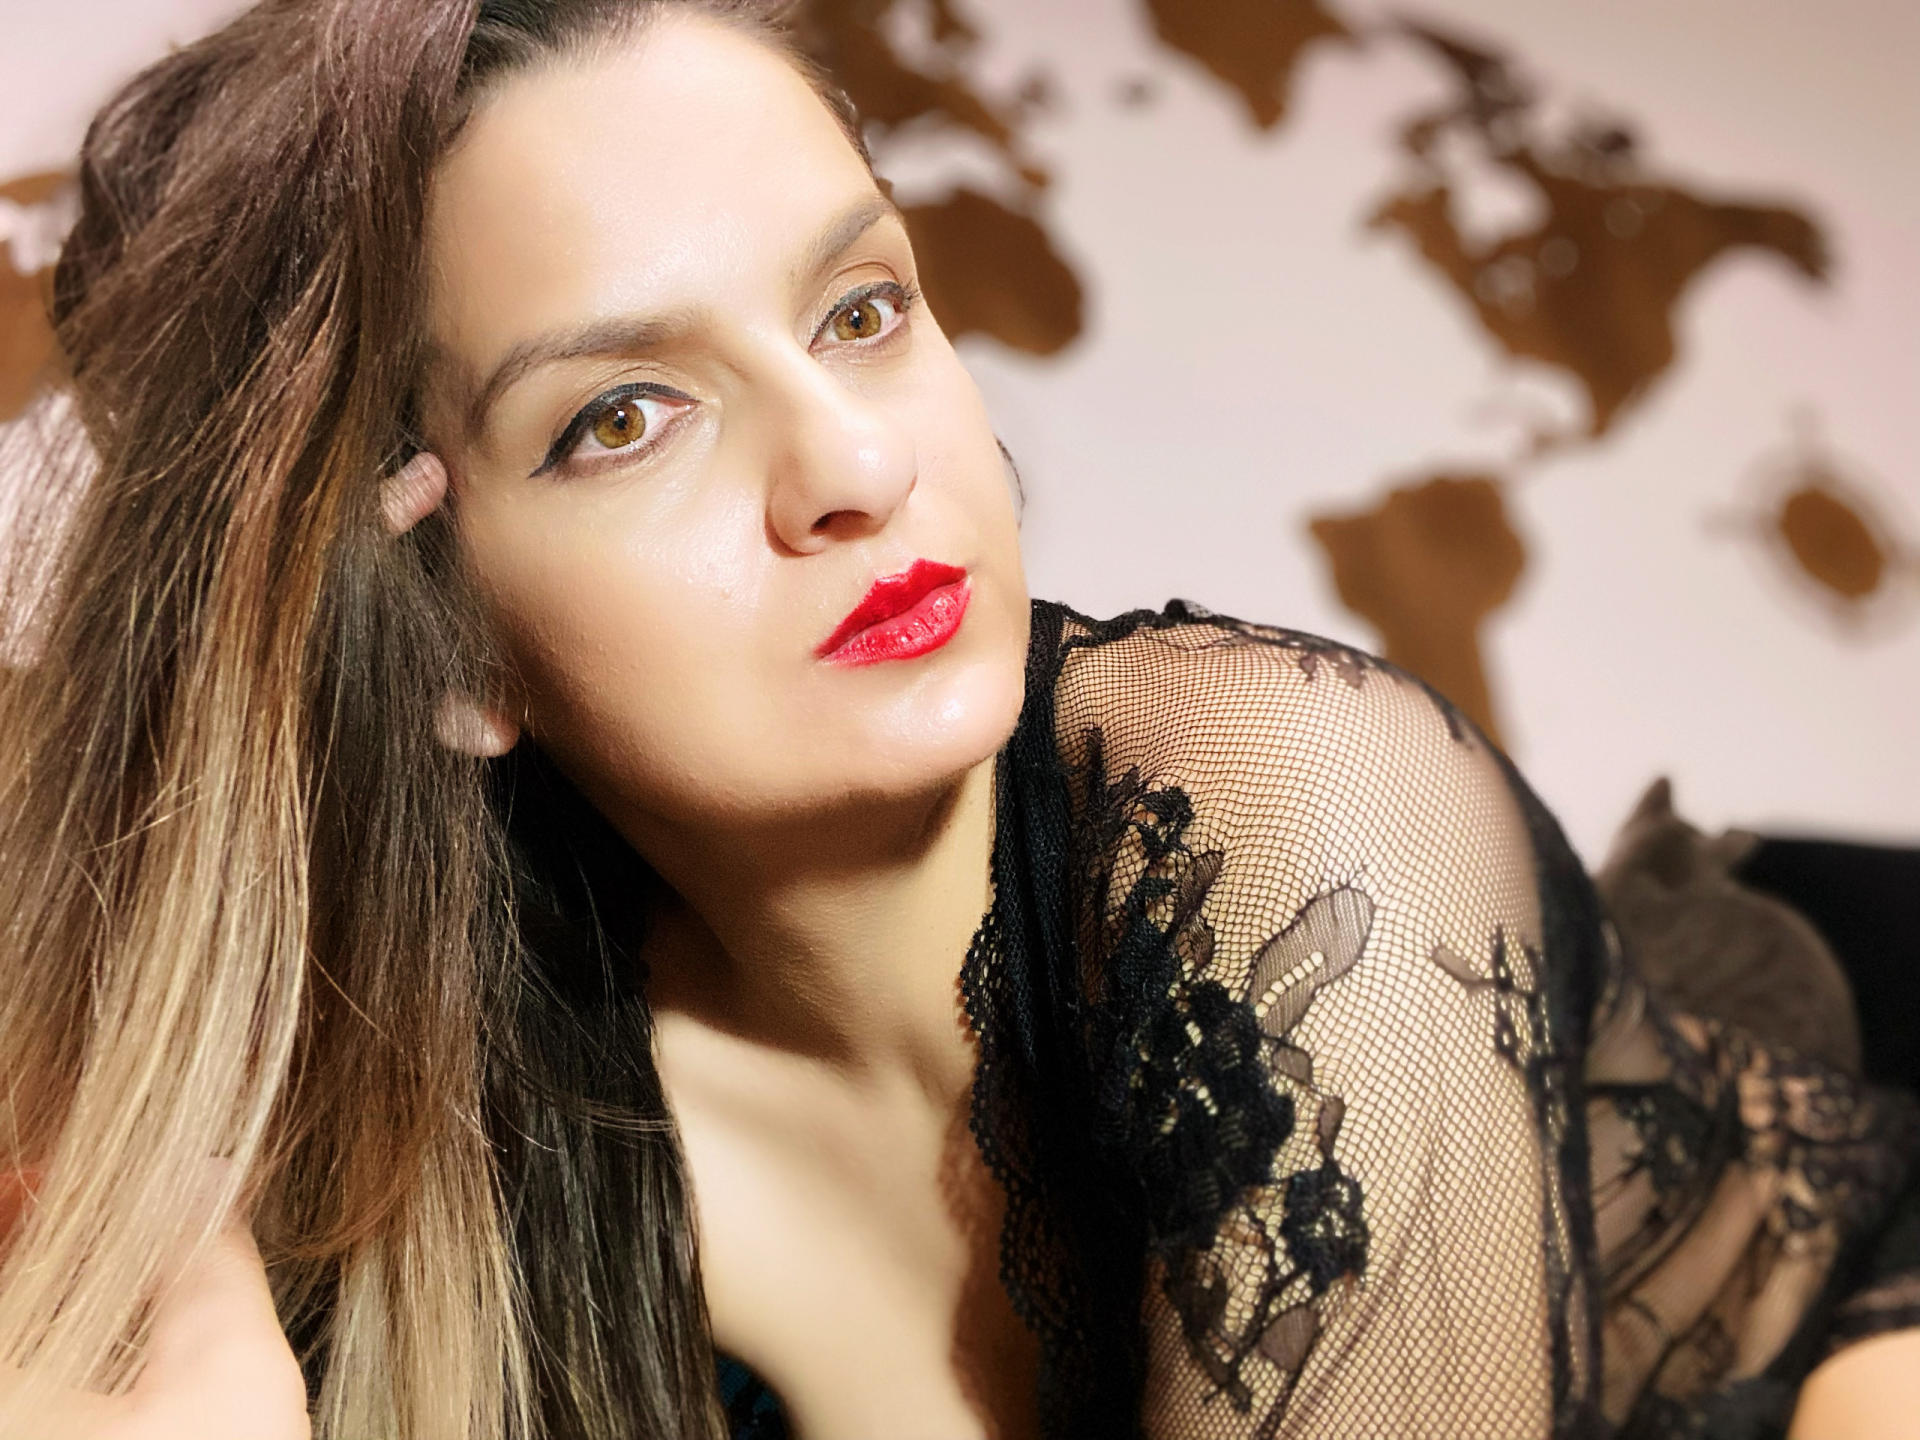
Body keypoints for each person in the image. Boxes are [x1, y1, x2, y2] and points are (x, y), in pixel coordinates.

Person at [0, 2, 1915, 1437]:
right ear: (443, 650)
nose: (854, 466)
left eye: (859, 309)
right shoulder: (433, 1142)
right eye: (622, 418)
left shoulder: (1300, 817)